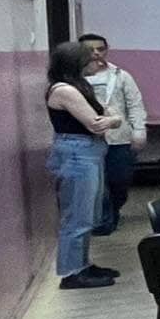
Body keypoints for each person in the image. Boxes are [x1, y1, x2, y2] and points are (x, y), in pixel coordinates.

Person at [45, 42, 121, 288]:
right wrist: (114, 119)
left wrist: (112, 118)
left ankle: (82, 263)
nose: (96, 62)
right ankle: (72, 272)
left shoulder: (80, 86)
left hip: (88, 152)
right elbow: (96, 123)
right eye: (90, 59)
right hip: (77, 153)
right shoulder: (65, 90)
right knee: (78, 215)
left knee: (88, 214)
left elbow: (107, 116)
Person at [78, 34, 146, 237]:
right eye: (90, 50)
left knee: (119, 180)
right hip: (88, 139)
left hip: (119, 138)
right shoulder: (75, 79)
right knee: (97, 184)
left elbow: (135, 105)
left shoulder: (120, 76)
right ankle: (104, 220)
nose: (96, 53)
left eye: (100, 49)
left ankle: (113, 210)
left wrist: (139, 131)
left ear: (107, 50)